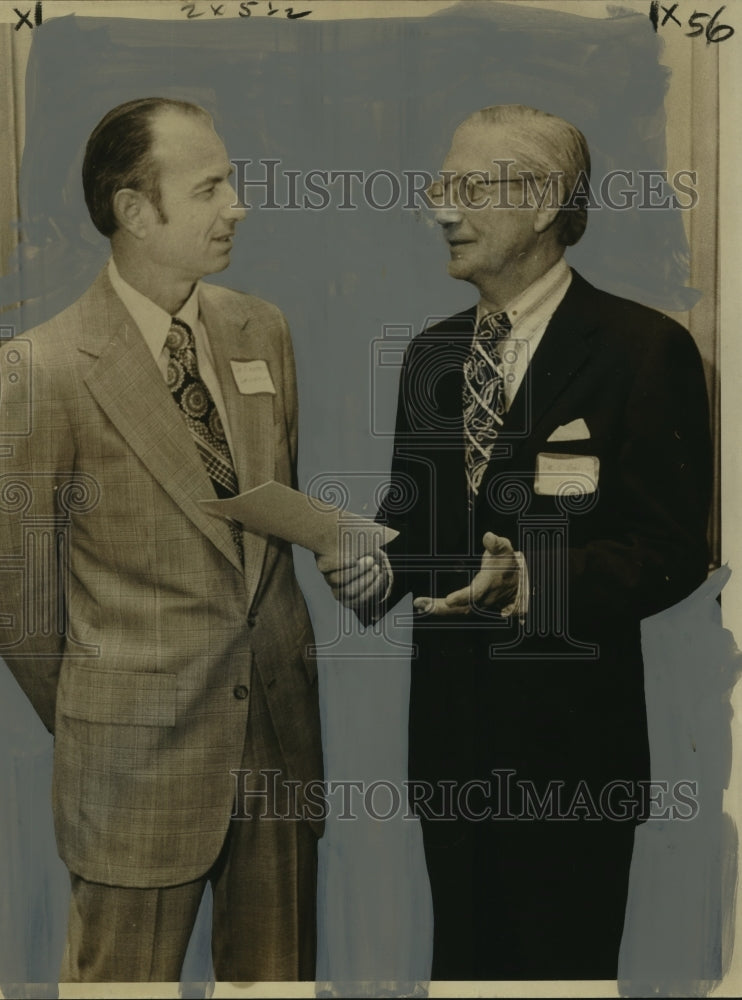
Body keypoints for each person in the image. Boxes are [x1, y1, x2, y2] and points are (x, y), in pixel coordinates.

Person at [320, 104, 713, 980]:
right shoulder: (432, 355)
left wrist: (534, 582)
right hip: (449, 756)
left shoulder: (646, 350)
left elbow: (673, 547)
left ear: (541, 203)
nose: (440, 209)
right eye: (441, 186)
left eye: (467, 188)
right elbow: (416, 523)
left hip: (572, 764)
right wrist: (374, 568)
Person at [0, 97, 323, 984]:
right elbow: (14, 601)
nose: (236, 204)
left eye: (231, 183)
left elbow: (268, 526)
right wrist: (114, 714)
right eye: (209, 188)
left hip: (277, 752)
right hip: (132, 774)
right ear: (135, 210)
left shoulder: (264, 332)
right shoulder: (41, 370)